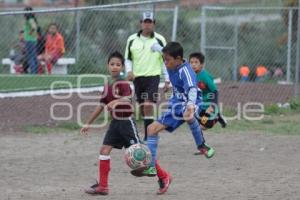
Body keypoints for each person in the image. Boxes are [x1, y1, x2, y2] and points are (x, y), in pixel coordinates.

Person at [133, 42, 215, 195]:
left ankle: (200, 145)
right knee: (151, 129)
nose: (165, 62)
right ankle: (202, 146)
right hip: (176, 103)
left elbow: (191, 89)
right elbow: (160, 50)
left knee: (188, 116)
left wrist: (190, 105)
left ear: (178, 59)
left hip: (189, 101)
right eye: (164, 59)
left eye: (168, 60)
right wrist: (155, 46)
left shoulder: (186, 71)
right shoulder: (170, 62)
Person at [80, 51, 142, 195]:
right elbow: (101, 105)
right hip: (115, 123)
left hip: (126, 122)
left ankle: (164, 177)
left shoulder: (122, 81)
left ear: (122, 67)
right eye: (112, 64)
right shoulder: (108, 83)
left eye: (118, 64)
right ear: (108, 65)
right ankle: (103, 186)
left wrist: (115, 101)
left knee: (140, 154)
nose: (115, 67)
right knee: (104, 151)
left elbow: (128, 99)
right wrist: (88, 123)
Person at [124, 11, 170, 141]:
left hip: (153, 77)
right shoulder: (132, 39)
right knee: (143, 107)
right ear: (141, 23)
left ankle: (149, 136)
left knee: (148, 104)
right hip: (137, 78)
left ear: (154, 24)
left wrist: (167, 79)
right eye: (145, 22)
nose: (147, 25)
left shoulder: (160, 39)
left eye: (150, 22)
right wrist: (129, 71)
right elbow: (128, 58)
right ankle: (150, 130)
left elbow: (165, 60)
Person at [189, 52, 227, 130]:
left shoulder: (204, 76)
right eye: (191, 62)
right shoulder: (191, 75)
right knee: (197, 122)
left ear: (202, 64)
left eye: (196, 62)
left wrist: (212, 106)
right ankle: (219, 116)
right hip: (200, 104)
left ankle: (216, 117)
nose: (193, 64)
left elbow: (215, 90)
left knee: (203, 126)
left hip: (208, 104)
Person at [23, 6, 38, 74]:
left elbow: (34, 27)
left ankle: (33, 72)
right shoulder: (31, 19)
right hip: (33, 40)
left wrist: (30, 32)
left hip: (29, 40)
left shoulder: (30, 19)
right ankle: (35, 71)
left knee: (30, 57)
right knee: (33, 56)